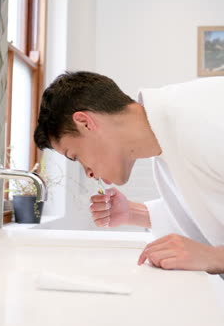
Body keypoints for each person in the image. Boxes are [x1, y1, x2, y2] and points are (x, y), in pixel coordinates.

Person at [34, 71, 224, 275]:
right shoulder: (167, 137)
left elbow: (209, 251)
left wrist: (212, 257)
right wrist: (134, 213)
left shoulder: (206, 118)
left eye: (76, 156)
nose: (88, 173)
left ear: (85, 123)